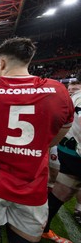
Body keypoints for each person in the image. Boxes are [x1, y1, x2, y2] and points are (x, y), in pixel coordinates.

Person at [0, 37, 74, 243]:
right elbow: (57, 135)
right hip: (32, 184)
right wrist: (37, 147)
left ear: (1, 62)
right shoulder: (58, 91)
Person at [41, 80, 81, 242]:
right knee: (61, 188)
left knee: (63, 190)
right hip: (74, 152)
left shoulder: (74, 98)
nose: (71, 91)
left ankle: (42, 226)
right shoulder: (77, 98)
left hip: (69, 151)